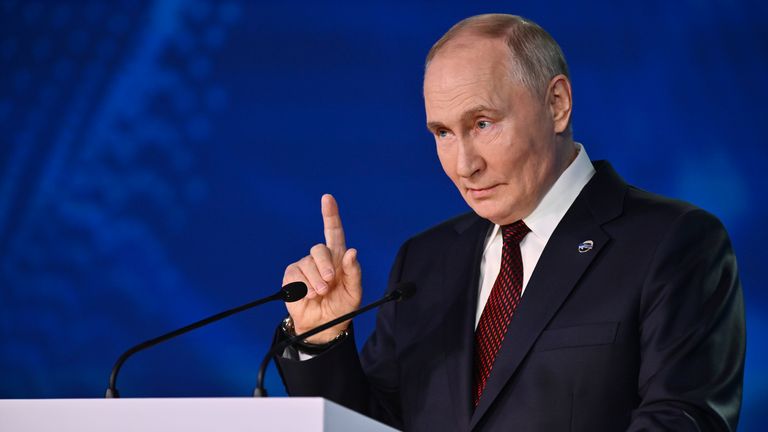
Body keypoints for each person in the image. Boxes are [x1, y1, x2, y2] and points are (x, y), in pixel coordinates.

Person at [273, 14, 745, 432]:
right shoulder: (423, 261)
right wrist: (322, 343)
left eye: (482, 123)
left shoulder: (673, 242)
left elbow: (684, 418)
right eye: (442, 133)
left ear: (557, 104)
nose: (464, 165)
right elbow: (374, 425)